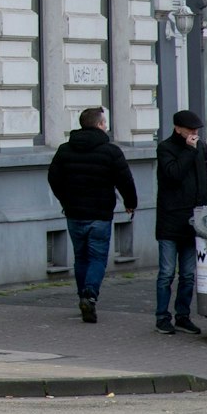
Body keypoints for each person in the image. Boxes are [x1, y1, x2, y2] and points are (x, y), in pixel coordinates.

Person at [47, 107, 138, 323]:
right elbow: (125, 179)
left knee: (81, 258)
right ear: (98, 125)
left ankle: (83, 298)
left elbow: (53, 178)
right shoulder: (111, 151)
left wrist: (65, 199)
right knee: (97, 258)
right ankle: (90, 295)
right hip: (100, 214)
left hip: (74, 213)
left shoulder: (65, 150)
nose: (106, 126)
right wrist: (130, 203)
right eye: (104, 123)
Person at [154, 109, 207, 335]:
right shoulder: (165, 148)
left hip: (193, 219)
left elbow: (206, 180)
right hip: (170, 219)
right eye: (190, 129)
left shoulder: (201, 148)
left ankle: (183, 315)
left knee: (188, 274)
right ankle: (162, 316)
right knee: (167, 273)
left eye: (196, 129)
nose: (194, 133)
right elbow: (173, 175)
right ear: (178, 128)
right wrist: (188, 151)